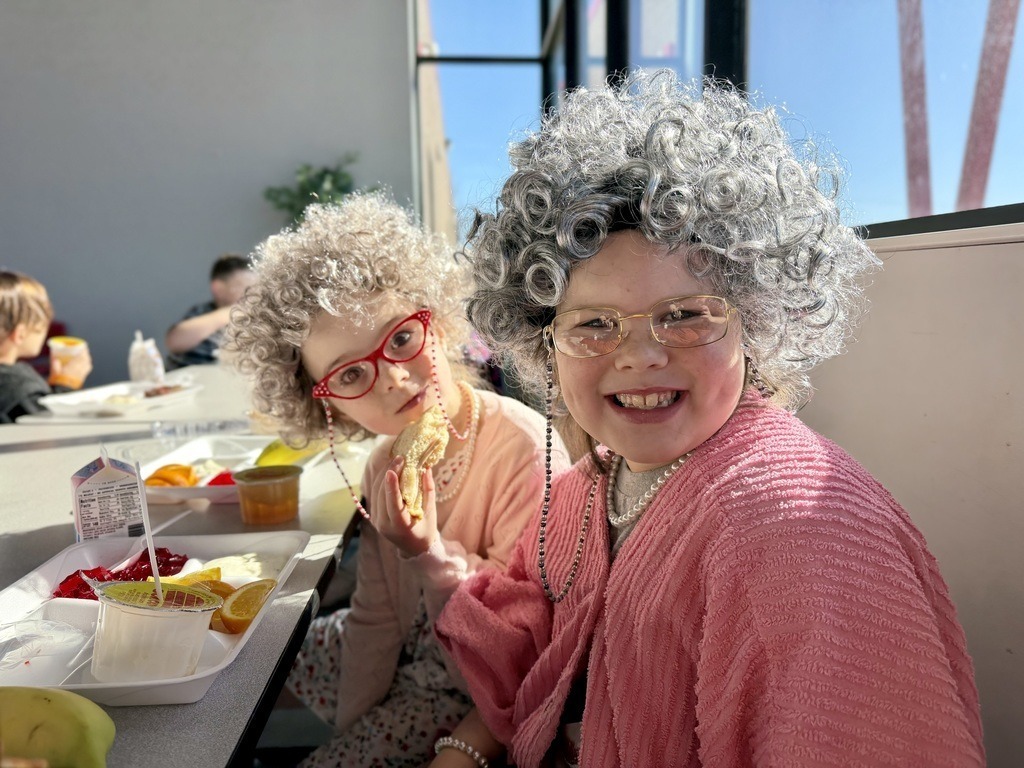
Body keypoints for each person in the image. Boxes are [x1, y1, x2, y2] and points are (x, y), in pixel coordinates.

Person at [433, 71, 984, 767]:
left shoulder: (796, 531)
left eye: (687, 315)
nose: (639, 355)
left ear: (752, 324)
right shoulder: (587, 487)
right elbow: (529, 648)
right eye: (595, 323)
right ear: (545, 344)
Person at [225, 192, 569, 767]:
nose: (392, 379)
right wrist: (349, 732)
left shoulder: (523, 451)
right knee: (258, 654)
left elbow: (527, 651)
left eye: (402, 338)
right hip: (408, 646)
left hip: (472, 690)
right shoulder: (384, 464)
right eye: (352, 373)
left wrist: (429, 556)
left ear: (438, 317)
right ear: (325, 405)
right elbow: (377, 617)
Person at [0, 270, 93, 424]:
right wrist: (67, 385)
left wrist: (55, 385)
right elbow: (49, 431)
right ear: (20, 334)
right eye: (43, 324)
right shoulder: (16, 386)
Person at [165, 253, 255, 369]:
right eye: (244, 289)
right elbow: (174, 342)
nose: (251, 295)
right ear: (218, 289)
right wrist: (231, 312)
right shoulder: (203, 312)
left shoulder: (254, 317)